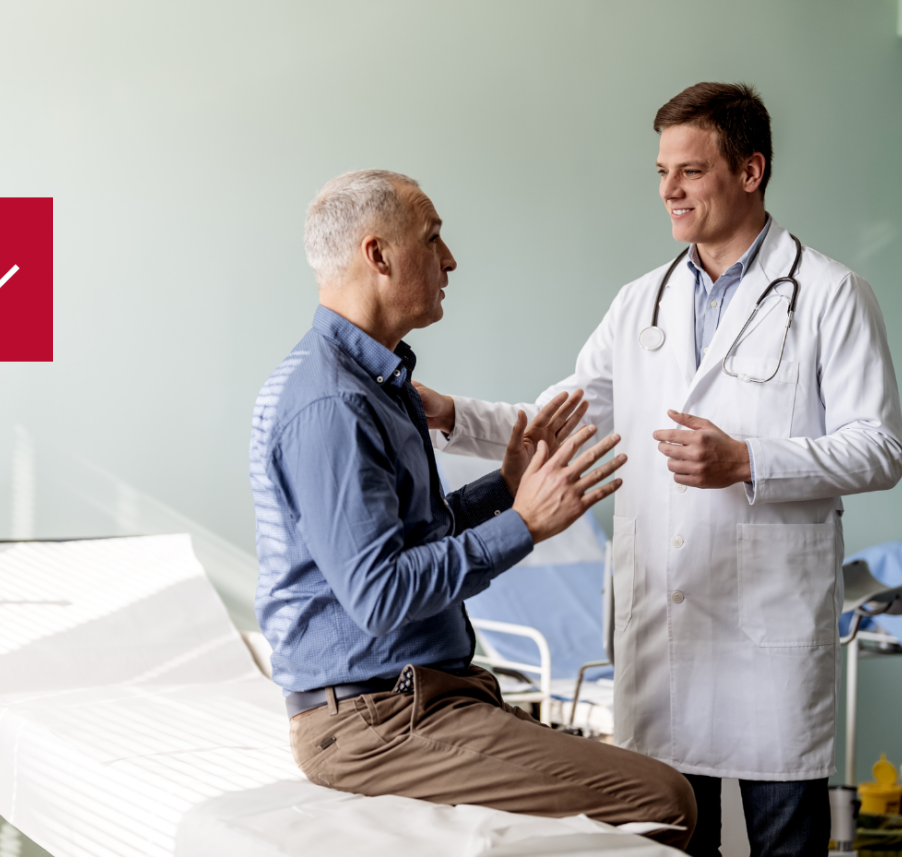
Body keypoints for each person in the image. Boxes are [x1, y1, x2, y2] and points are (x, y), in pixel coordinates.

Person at [416, 84, 902, 857]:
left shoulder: (830, 295)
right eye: (661, 171)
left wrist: (747, 460)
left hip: (766, 634)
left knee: (785, 842)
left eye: (690, 170)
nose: (668, 191)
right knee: (666, 840)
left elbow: (880, 446)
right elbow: (557, 416)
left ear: (751, 171)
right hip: (665, 630)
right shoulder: (641, 302)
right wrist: (452, 414)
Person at [249, 168, 697, 848]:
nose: (450, 258)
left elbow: (413, 538)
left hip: (424, 697)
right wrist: (525, 525)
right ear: (378, 255)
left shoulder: (381, 382)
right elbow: (379, 593)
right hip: (376, 721)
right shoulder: (332, 403)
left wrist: (505, 487)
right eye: (433, 239)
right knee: (664, 797)